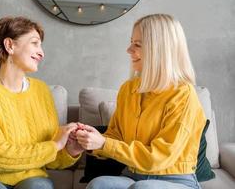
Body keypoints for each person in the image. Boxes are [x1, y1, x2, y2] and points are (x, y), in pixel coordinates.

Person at [75, 14, 206, 189]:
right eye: (131, 42)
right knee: (98, 185)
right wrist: (92, 139)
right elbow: (116, 135)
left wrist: (105, 144)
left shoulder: (183, 95)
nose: (129, 50)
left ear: (159, 50)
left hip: (176, 179)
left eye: (137, 44)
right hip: (133, 174)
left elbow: (159, 157)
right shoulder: (128, 89)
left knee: (143, 188)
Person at [0, 16, 83, 189]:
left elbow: (51, 158)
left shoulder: (42, 91)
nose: (41, 52)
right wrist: (55, 145)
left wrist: (71, 149)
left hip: (32, 179)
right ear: (10, 45)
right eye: (34, 43)